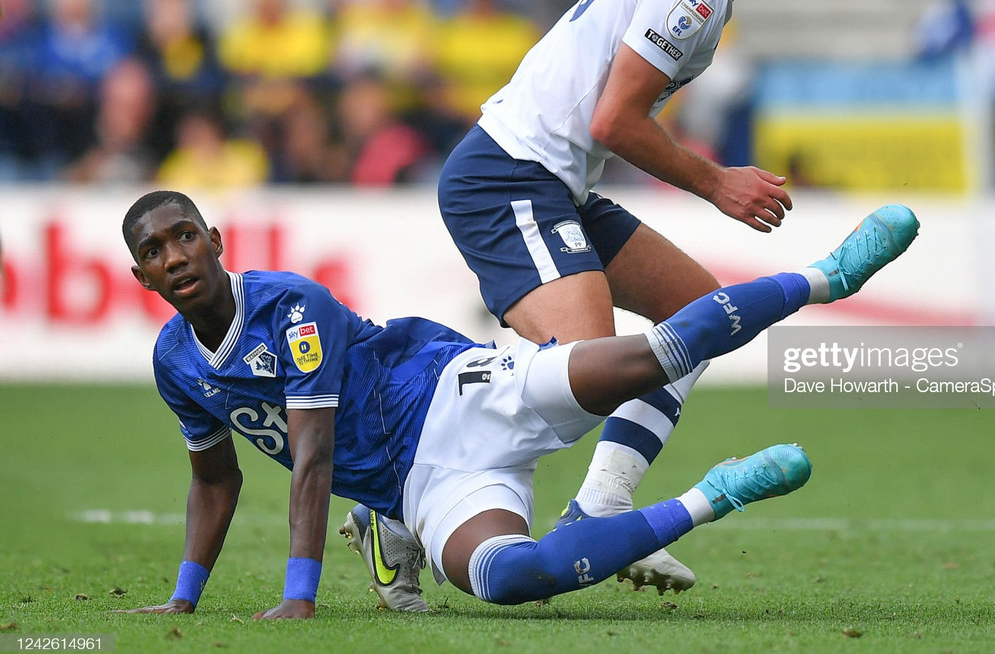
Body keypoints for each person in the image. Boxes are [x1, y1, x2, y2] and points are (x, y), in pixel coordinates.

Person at [118, 190, 917, 618]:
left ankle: (827, 276)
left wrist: (299, 594)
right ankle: (719, 494)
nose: (175, 255)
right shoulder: (174, 363)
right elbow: (216, 480)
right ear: (142, 278)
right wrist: (185, 595)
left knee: (651, 356)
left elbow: (313, 455)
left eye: (184, 235)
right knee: (512, 578)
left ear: (215, 240)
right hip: (425, 487)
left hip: (452, 391)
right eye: (154, 251)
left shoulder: (291, 305)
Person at [436, 0, 817, 593]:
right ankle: (401, 500)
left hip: (552, 180)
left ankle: (603, 503)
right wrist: (717, 183)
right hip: (509, 173)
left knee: (696, 319)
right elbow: (614, 118)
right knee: (588, 373)